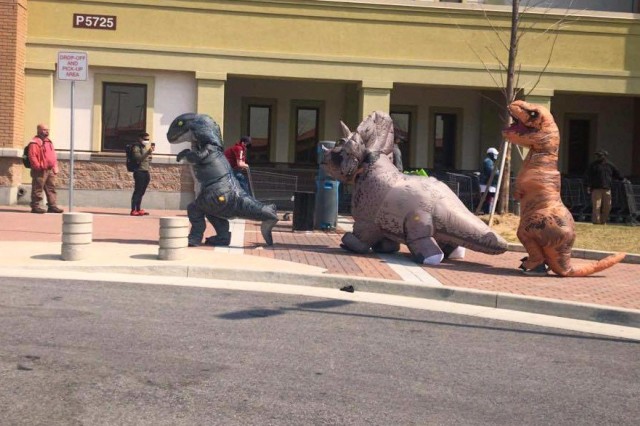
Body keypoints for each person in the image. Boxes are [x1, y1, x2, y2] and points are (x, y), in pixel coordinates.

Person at [27, 124, 63, 214]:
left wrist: (55, 166)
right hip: (40, 170)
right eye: (44, 130)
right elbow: (32, 156)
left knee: (51, 188)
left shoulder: (49, 141)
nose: (47, 131)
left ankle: (52, 206)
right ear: (39, 130)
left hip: (50, 169)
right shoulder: (34, 142)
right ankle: (35, 206)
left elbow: (53, 155)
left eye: (47, 130)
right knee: (38, 188)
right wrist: (38, 166)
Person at [584, 149, 626, 225]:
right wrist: (588, 185)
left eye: (601, 155)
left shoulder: (610, 165)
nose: (599, 157)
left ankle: (603, 221)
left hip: (607, 188)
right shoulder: (593, 165)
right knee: (597, 206)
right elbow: (588, 176)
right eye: (598, 155)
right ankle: (596, 222)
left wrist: (623, 179)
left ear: (605, 156)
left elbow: (617, 173)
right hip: (596, 188)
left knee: (607, 206)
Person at [130, 132, 154, 216]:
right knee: (138, 191)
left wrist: (149, 152)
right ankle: (133, 210)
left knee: (142, 192)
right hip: (139, 171)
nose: (147, 141)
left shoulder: (143, 147)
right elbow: (138, 158)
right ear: (140, 139)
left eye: (148, 139)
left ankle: (138, 209)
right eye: (145, 139)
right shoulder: (136, 147)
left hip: (145, 171)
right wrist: (148, 152)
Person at [479, 147, 499, 214]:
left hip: (489, 184)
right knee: (488, 199)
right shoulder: (488, 161)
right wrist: (499, 172)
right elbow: (491, 171)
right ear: (491, 154)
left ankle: (488, 212)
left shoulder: (490, 161)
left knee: (489, 198)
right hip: (487, 184)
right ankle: (488, 212)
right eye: (495, 154)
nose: (496, 156)